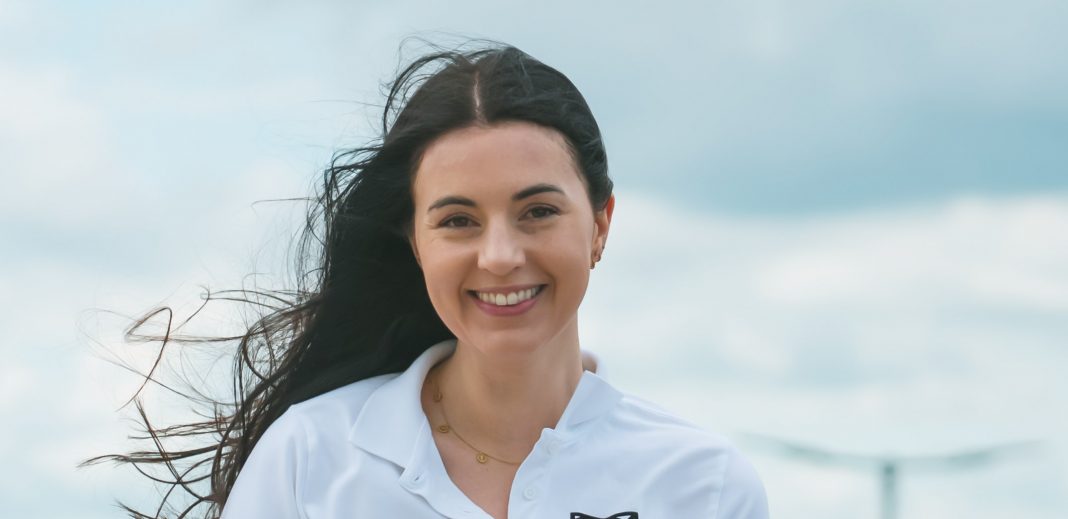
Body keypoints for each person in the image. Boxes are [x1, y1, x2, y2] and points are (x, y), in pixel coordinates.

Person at [95, 41, 769, 519]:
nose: (500, 255)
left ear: (600, 224)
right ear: (415, 241)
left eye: (537, 211)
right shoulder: (310, 458)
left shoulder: (703, 485)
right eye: (458, 221)